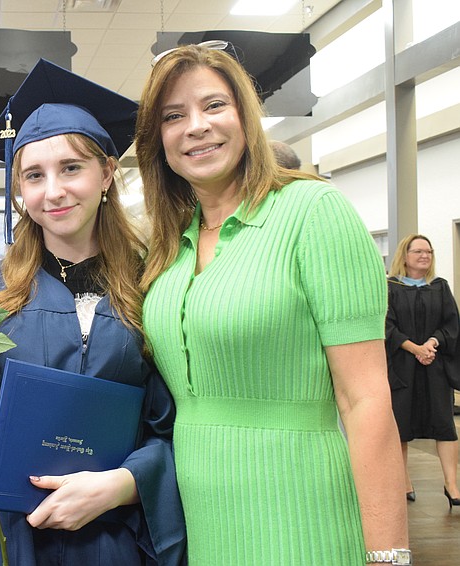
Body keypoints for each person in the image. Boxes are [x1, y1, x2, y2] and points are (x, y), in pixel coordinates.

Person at [135, 43, 409, 564]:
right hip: (207, 519)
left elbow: (366, 401)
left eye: (214, 105)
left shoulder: (313, 212)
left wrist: (388, 556)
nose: (196, 126)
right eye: (174, 115)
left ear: (245, 116)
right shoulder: (169, 246)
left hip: (305, 510)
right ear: (158, 139)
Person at [0, 59, 186, 566]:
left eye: (72, 168)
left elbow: (171, 428)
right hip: (3, 537)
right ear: (18, 190)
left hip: (110, 536)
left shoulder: (154, 287)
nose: (53, 191)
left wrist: (121, 487)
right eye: (34, 175)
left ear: (107, 172)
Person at [385, 234, 460, 507]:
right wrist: (413, 348)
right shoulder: (389, 287)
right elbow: (386, 326)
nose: (424, 256)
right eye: (418, 251)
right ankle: (403, 481)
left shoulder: (439, 287)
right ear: (404, 256)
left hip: (434, 364)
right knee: (401, 426)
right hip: (402, 367)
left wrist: (431, 343)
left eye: (428, 251)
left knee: (444, 425)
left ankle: (452, 485)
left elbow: (452, 324)